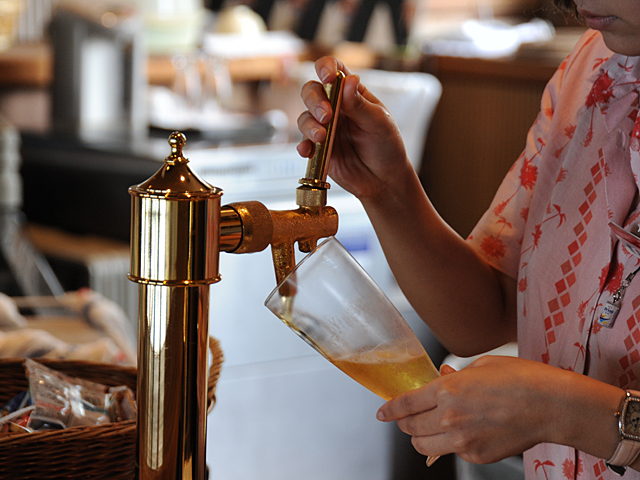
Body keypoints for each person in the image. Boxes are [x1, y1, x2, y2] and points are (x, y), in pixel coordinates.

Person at [296, 0, 640, 478]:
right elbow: (488, 311)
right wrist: (388, 188)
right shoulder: (591, 69)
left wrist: (561, 410)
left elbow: (559, 405)